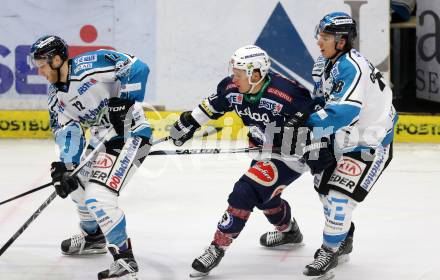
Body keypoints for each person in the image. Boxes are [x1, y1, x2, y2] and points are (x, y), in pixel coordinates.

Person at [170, 45, 334, 277]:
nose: (233, 78)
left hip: (291, 153)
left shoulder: (287, 93)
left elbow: (315, 119)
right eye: (234, 72)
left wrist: (315, 149)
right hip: (262, 148)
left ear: (255, 74)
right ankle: (289, 232)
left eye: (239, 73)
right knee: (265, 198)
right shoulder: (231, 88)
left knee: (244, 192)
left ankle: (216, 248)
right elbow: (212, 105)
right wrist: (189, 123)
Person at [30, 35, 152, 280]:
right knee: (76, 183)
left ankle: (125, 259)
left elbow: (138, 67)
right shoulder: (56, 98)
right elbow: (68, 131)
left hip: (132, 133)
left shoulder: (90, 64)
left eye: (42, 65)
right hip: (102, 139)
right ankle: (93, 237)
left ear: (56, 59)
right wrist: (66, 165)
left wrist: (124, 102)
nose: (40, 71)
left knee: (99, 196)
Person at [286, 12, 398, 278]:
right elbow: (325, 101)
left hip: (370, 142)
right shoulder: (326, 62)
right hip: (343, 137)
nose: (318, 41)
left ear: (342, 41)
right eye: (319, 35)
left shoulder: (351, 68)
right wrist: (304, 117)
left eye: (325, 37)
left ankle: (330, 250)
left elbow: (343, 113)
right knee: (323, 187)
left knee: (338, 199)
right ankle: (343, 237)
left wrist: (305, 127)